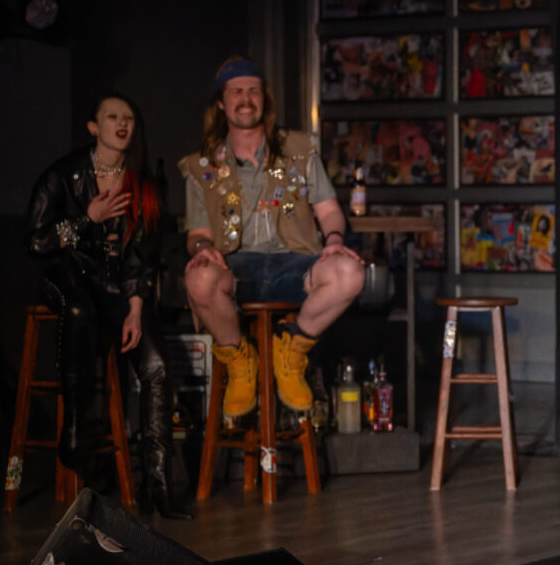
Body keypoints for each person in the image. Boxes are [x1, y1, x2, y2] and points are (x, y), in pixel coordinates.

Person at [27, 94, 191, 520]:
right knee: (79, 312)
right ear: (93, 127)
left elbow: (142, 256)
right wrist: (87, 220)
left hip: (117, 285)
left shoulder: (141, 184)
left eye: (129, 119)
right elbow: (37, 241)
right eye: (113, 117)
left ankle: (159, 489)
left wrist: (136, 309)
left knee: (155, 363)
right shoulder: (63, 176)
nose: (122, 124)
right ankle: (78, 436)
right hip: (69, 276)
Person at [179, 57, 364, 420]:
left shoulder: (296, 150)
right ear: (221, 102)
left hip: (294, 263)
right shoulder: (203, 166)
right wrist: (203, 249)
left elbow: (328, 211)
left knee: (350, 274)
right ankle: (238, 360)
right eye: (236, 92)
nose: (245, 99)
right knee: (198, 278)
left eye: (253, 90)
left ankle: (293, 350)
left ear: (264, 99)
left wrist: (334, 239)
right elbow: (198, 234)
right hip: (236, 267)